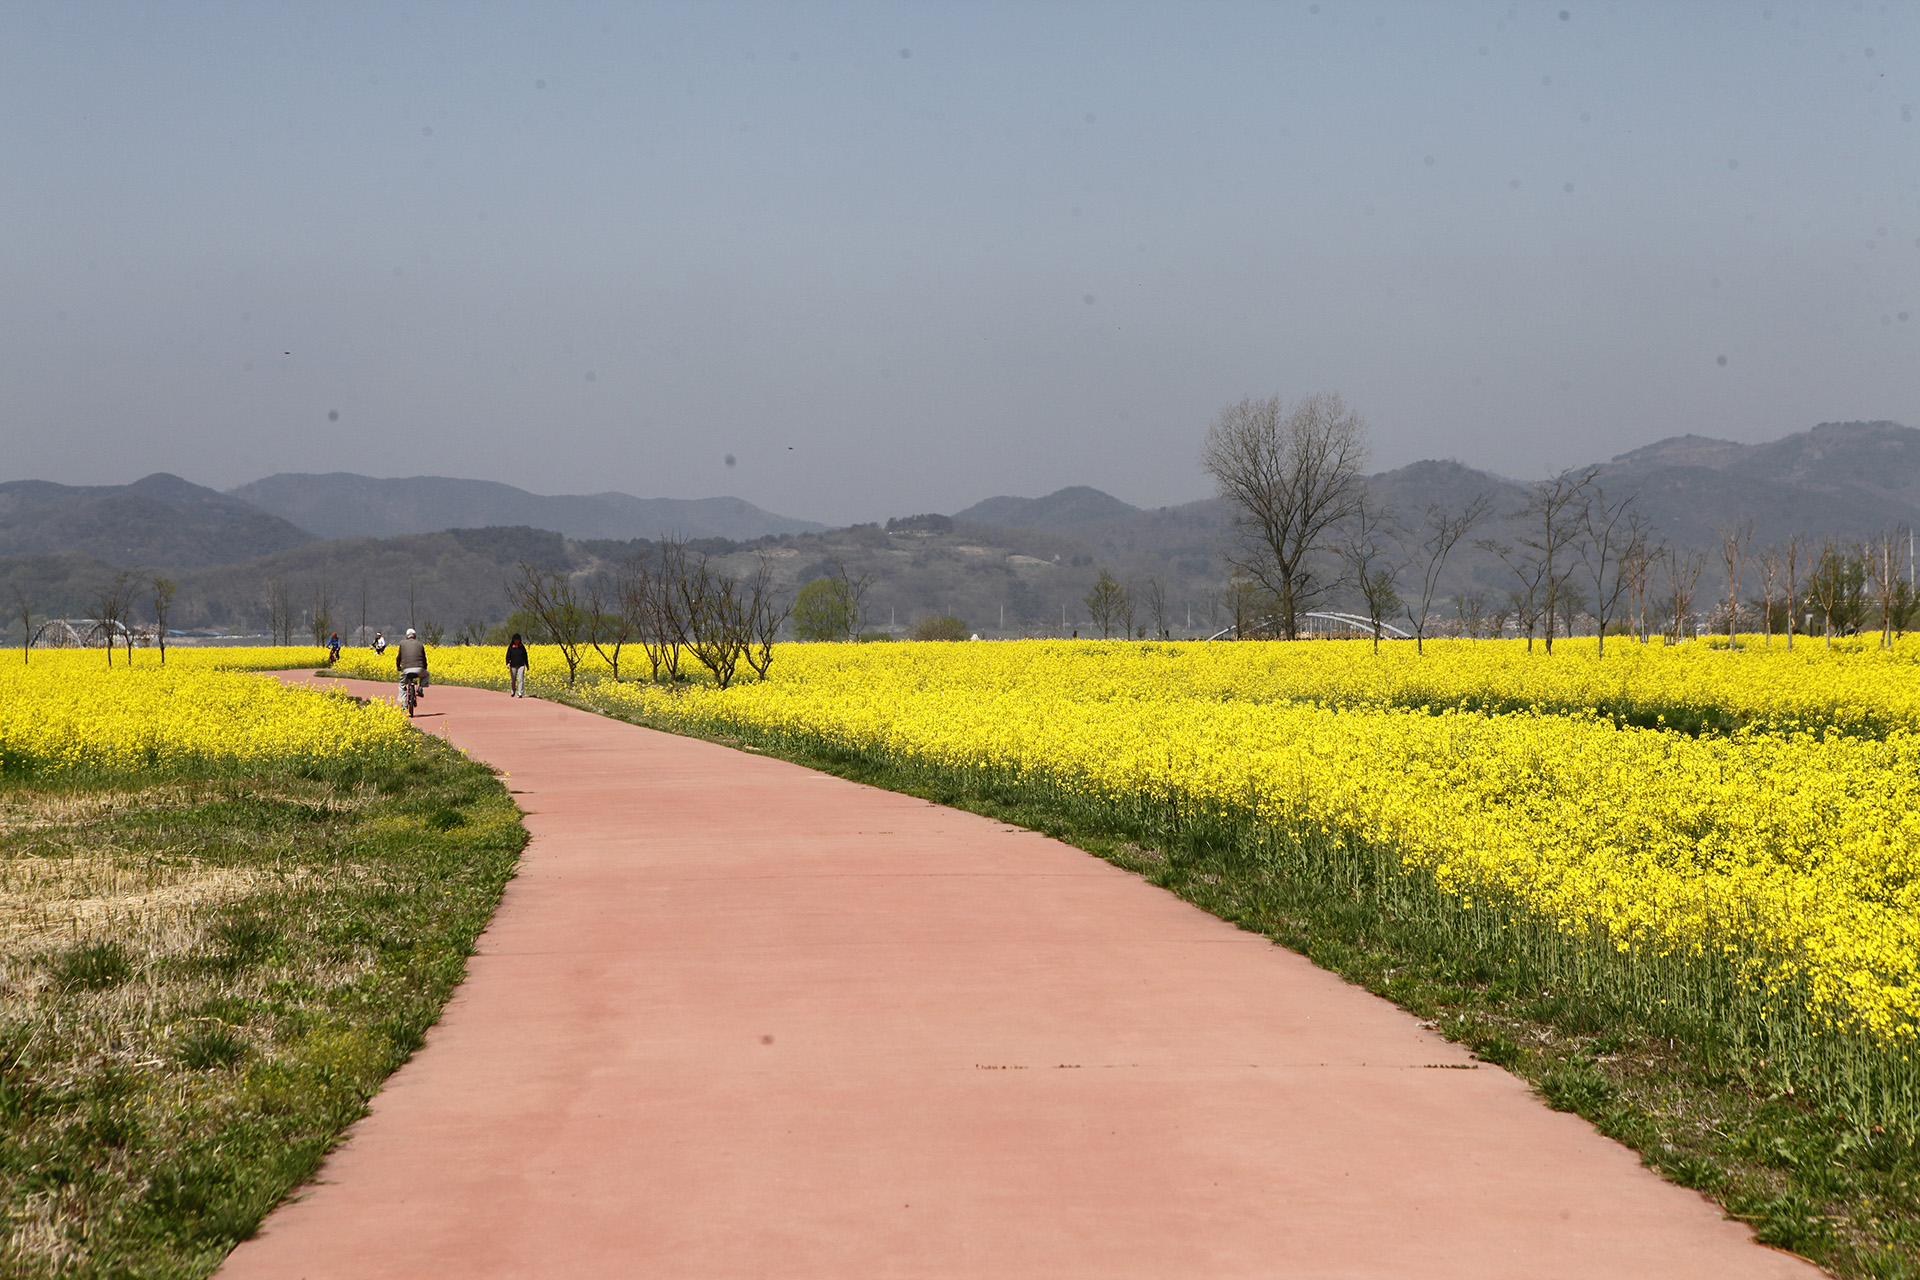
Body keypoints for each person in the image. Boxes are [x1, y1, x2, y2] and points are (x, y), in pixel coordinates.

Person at [395, 627, 428, 705]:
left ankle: (404, 704)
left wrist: (398, 666)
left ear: (407, 636)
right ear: (415, 636)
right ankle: (420, 688)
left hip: (406, 669)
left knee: (402, 685)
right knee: (427, 675)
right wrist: (424, 667)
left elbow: (399, 657)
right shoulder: (420, 644)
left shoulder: (402, 643)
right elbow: (424, 658)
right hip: (419, 669)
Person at [505, 632, 530, 697]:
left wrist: (527, 665)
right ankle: (513, 690)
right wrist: (507, 663)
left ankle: (520, 692)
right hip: (513, 665)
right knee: (513, 680)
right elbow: (508, 656)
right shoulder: (511, 647)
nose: (517, 641)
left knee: (520, 679)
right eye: (516, 640)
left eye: (518, 640)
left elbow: (525, 656)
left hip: (521, 665)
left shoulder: (522, 647)